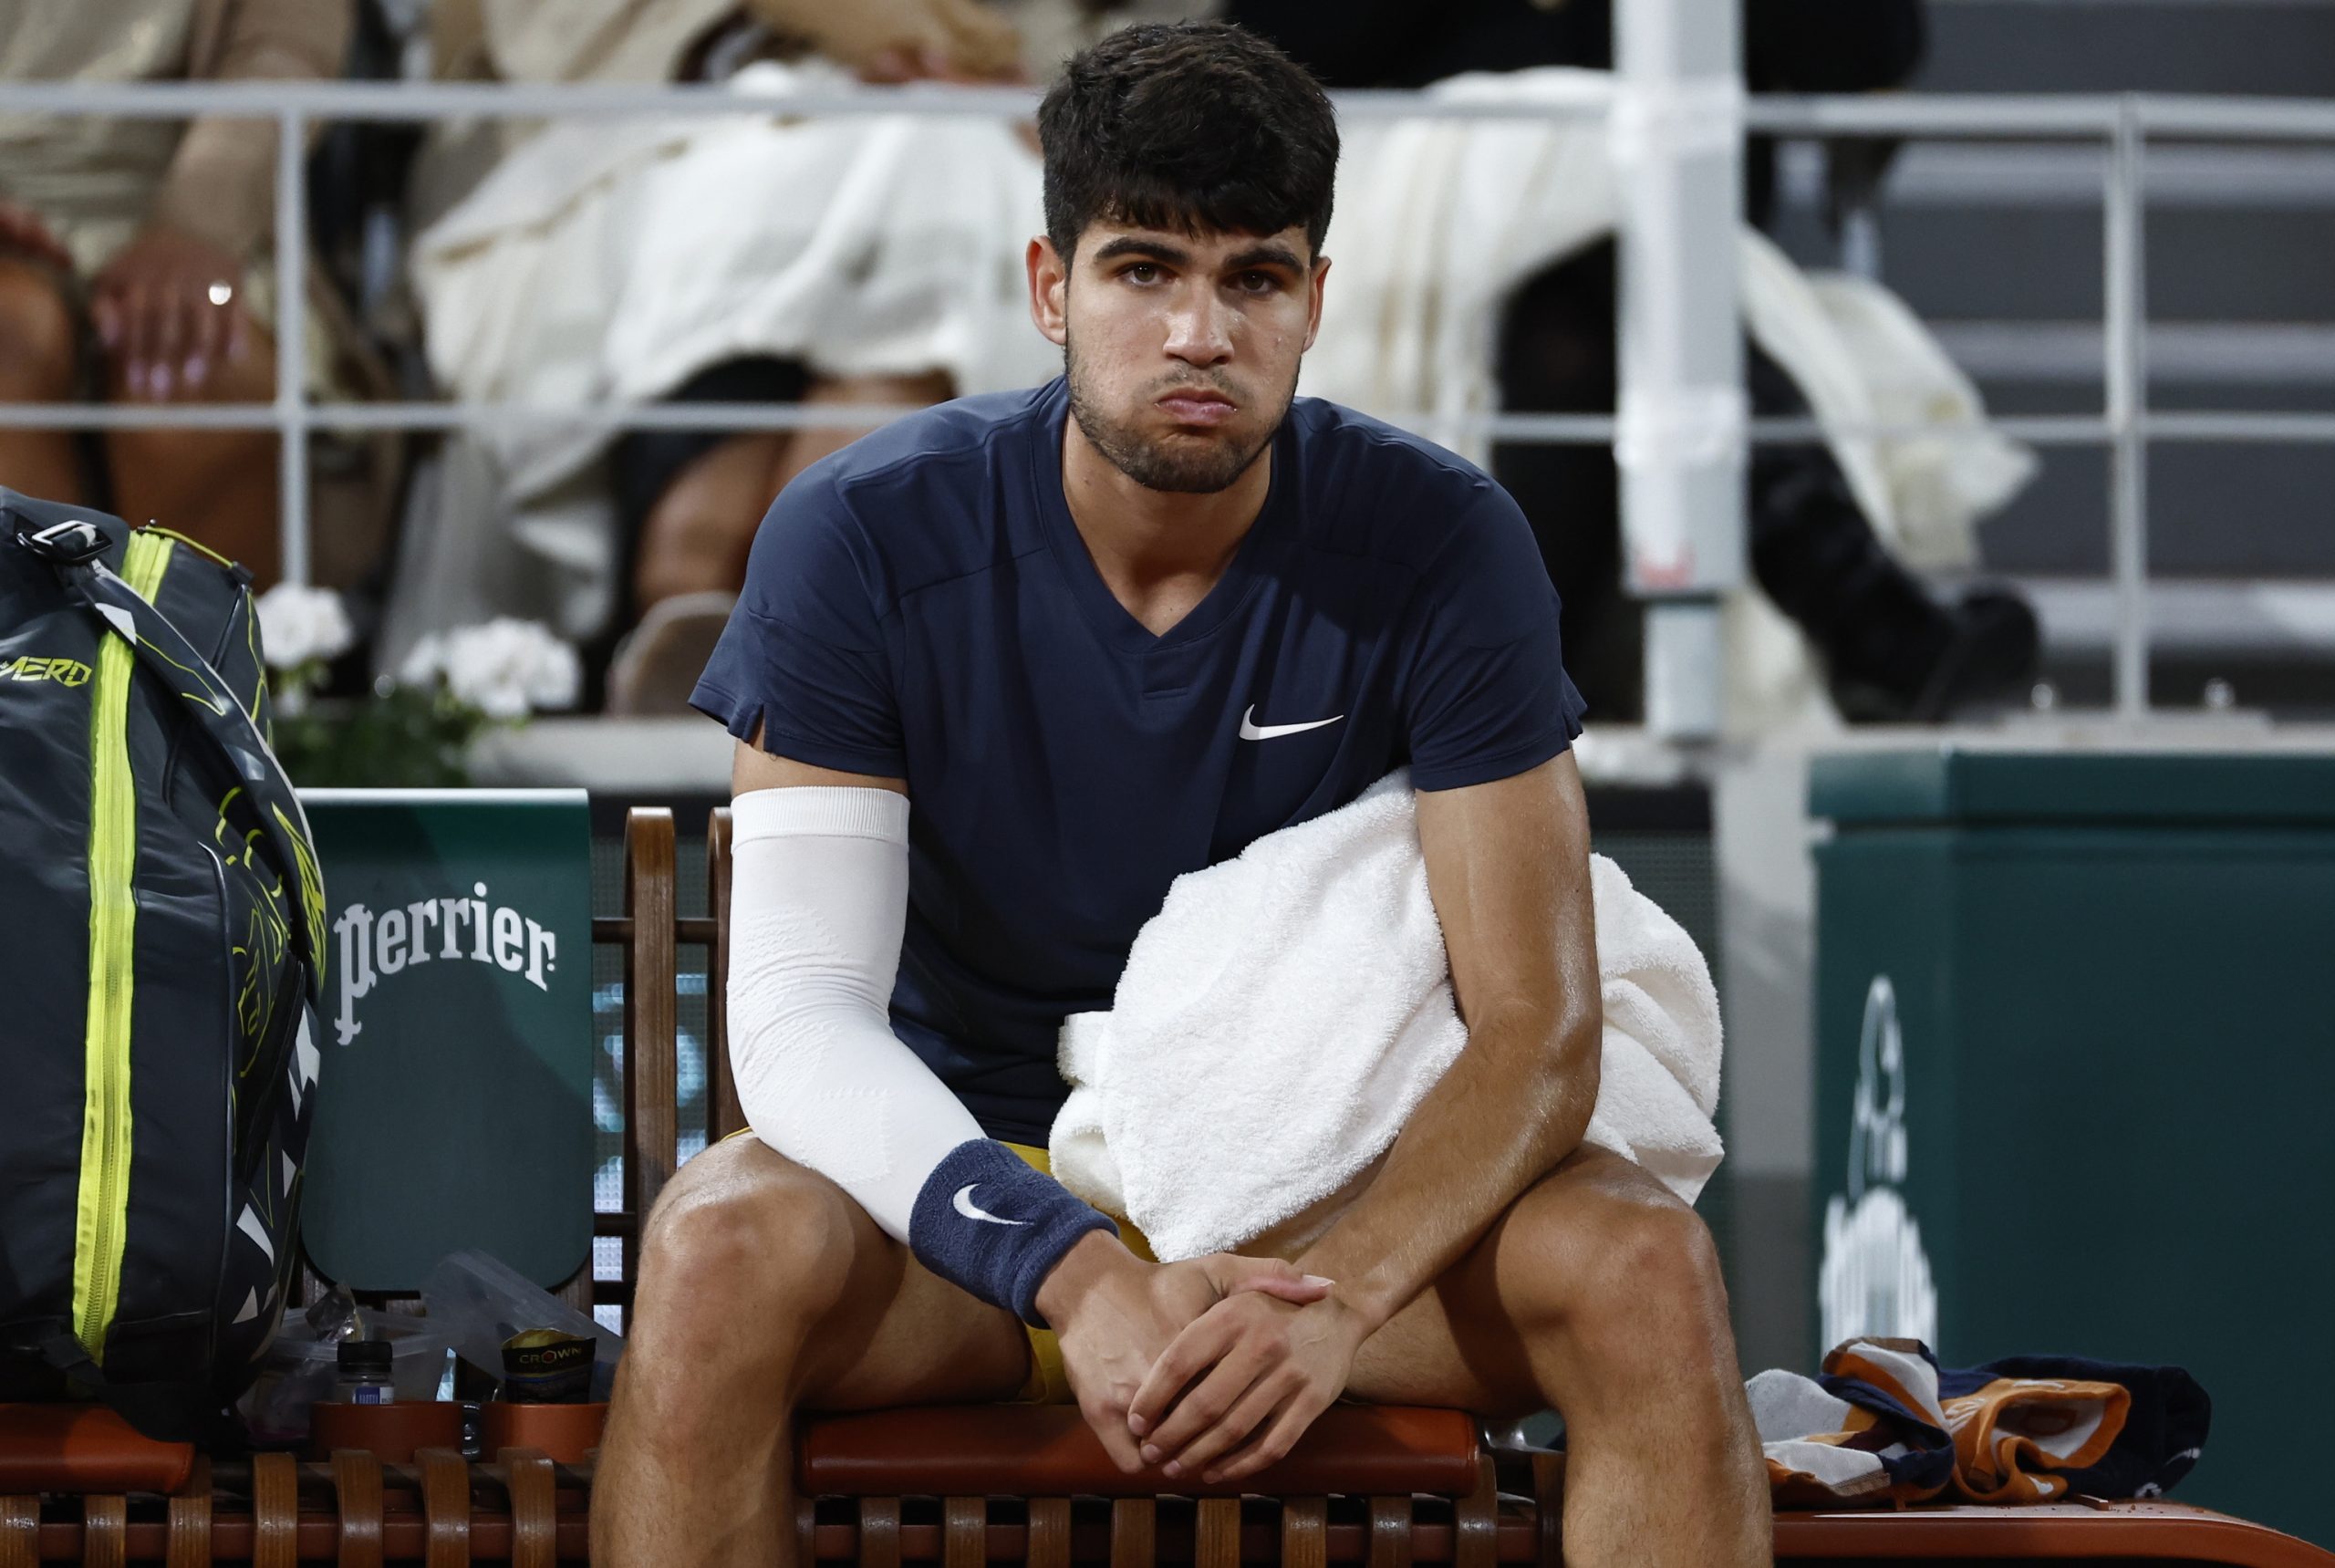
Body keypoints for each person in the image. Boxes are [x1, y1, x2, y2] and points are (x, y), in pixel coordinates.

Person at [594, 23, 1769, 1568]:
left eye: (1255, 280)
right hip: (977, 1213)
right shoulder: (863, 532)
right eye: (1146, 270)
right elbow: (804, 1022)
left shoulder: (1444, 540)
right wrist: (1080, 1274)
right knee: (714, 1244)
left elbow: (1538, 1029)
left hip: (1312, 1210)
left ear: (1315, 303)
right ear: (1049, 286)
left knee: (1646, 1272)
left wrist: (1340, 1294)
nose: (1200, 331)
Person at [0, 0, 351, 585]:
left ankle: (205, 669)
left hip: (206, 215)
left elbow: (287, 46)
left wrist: (198, 223)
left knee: (195, 375)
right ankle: (36, 671)